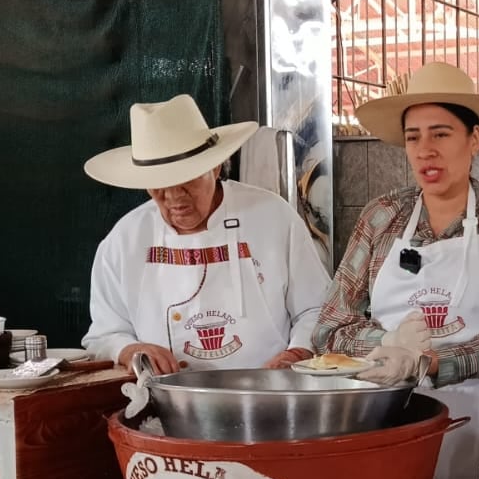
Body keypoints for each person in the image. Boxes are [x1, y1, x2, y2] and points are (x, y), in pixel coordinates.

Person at [313, 61, 479, 479]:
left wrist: (431, 361)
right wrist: (388, 344)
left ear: (474, 139)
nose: (426, 151)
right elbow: (330, 326)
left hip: (474, 424)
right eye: (413, 137)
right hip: (386, 417)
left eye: (441, 134)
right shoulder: (381, 218)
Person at [81, 94, 330, 374]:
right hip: (165, 395)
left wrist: (298, 352)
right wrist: (128, 350)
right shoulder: (125, 239)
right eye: (159, 185)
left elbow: (316, 309)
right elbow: (104, 335)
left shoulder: (273, 216)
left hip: (269, 389)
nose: (174, 196)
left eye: (186, 179)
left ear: (215, 166)